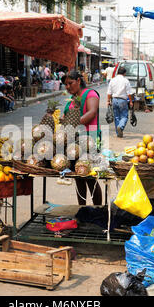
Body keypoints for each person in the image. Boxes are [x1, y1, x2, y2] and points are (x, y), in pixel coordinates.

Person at [61, 70, 103, 206]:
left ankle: (97, 210)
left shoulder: (90, 94)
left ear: (79, 81)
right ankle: (83, 209)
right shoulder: (72, 99)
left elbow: (92, 112)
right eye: (65, 84)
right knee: (78, 177)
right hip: (73, 142)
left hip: (89, 140)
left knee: (90, 178)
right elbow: (67, 117)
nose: (67, 87)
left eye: (70, 83)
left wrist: (73, 123)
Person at [107, 67, 133, 138]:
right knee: (124, 116)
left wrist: (108, 101)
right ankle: (120, 127)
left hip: (114, 100)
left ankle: (118, 133)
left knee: (116, 117)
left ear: (117, 72)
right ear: (124, 73)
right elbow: (129, 93)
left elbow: (109, 92)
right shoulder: (126, 81)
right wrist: (130, 101)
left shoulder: (112, 80)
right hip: (123, 100)